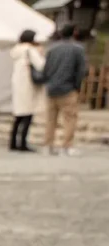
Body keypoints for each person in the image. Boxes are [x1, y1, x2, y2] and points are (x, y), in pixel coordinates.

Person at [42, 24, 88, 156]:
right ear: (74, 32)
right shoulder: (78, 49)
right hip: (68, 88)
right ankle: (67, 145)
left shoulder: (51, 49)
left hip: (51, 87)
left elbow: (46, 69)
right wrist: (77, 86)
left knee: (51, 119)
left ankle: (48, 144)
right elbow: (81, 70)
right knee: (70, 118)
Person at [9, 30, 46, 152]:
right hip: (28, 84)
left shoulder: (17, 50)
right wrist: (41, 54)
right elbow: (41, 65)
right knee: (27, 114)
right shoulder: (30, 50)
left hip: (18, 83)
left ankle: (13, 142)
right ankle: (23, 143)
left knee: (18, 115)